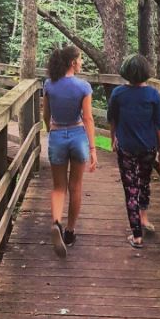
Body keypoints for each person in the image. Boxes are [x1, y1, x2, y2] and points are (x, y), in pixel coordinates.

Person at [107, 54, 160, 248]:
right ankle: (143, 217)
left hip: (126, 148)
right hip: (148, 148)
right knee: (144, 182)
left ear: (126, 71)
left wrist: (113, 138)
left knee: (131, 189)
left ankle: (137, 234)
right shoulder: (153, 95)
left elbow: (112, 119)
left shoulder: (118, 93)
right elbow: (159, 125)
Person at [43, 45, 98, 258]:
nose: (82, 62)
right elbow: (88, 118)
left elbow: (46, 114)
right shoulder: (83, 87)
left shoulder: (49, 84)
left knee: (59, 187)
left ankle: (56, 222)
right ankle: (70, 232)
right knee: (76, 187)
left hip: (57, 136)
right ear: (73, 63)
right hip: (78, 137)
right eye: (81, 59)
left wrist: (51, 131)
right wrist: (93, 149)